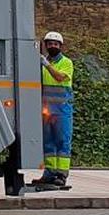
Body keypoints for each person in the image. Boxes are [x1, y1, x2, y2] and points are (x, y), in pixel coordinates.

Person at [36, 31, 74, 187]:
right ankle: (50, 173)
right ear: (45, 45)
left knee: (62, 142)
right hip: (47, 111)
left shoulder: (66, 63)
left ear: (61, 46)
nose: (53, 46)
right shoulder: (43, 64)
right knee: (48, 143)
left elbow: (59, 77)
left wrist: (46, 64)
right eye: (50, 44)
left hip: (62, 110)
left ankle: (62, 174)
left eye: (56, 44)